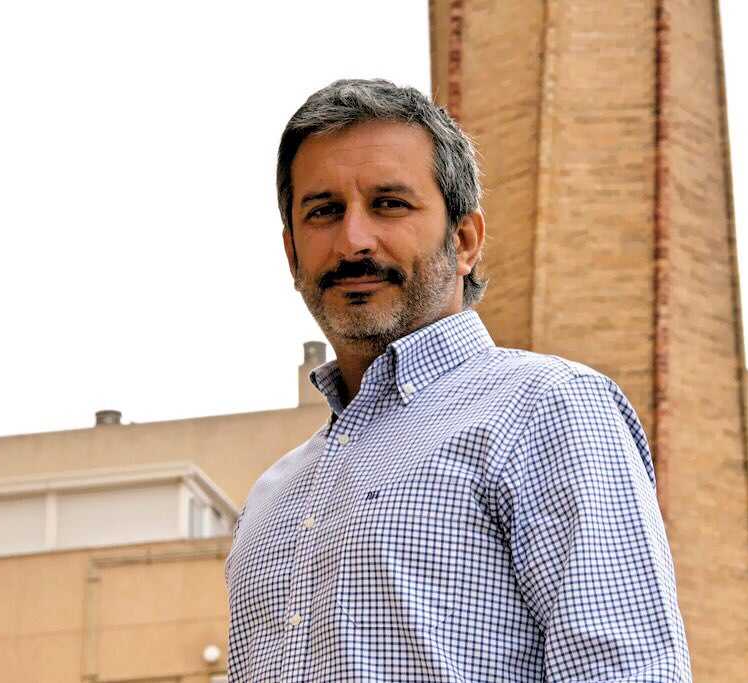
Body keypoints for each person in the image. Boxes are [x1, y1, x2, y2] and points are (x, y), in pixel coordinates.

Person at [225, 79, 691, 682]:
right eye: (324, 211)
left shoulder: (548, 410)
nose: (353, 240)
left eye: (390, 204)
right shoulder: (270, 499)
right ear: (292, 254)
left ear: (465, 240)